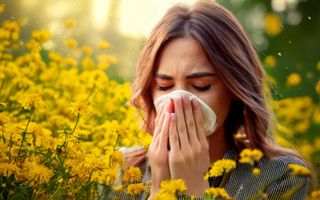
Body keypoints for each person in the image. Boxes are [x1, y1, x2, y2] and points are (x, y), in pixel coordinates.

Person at [112, 0, 312, 199]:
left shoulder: (280, 176)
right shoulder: (120, 170)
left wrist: (194, 191)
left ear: (233, 87)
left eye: (201, 86)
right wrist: (159, 191)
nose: (179, 101)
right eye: (164, 86)